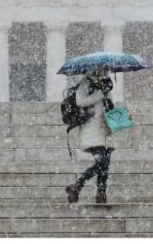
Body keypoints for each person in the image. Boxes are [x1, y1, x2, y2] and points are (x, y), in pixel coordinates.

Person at [65, 68, 114, 204]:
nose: (101, 71)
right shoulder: (86, 82)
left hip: (105, 128)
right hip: (91, 128)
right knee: (101, 161)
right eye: (99, 68)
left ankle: (100, 194)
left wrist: (108, 98)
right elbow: (80, 101)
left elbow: (110, 104)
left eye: (104, 69)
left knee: (105, 164)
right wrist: (99, 94)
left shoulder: (106, 84)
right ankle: (79, 185)